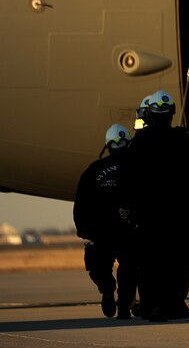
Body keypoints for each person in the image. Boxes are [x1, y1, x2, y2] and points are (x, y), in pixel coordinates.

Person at [121, 90, 189, 322]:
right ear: (172, 113)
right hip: (179, 215)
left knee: (149, 263)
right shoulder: (184, 141)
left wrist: (128, 207)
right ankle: (172, 303)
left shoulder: (139, 143)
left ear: (149, 114)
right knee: (178, 263)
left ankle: (151, 306)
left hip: (149, 215)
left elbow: (128, 178)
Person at [74, 124, 138, 319]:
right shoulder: (138, 168)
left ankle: (107, 291)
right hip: (129, 230)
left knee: (99, 266)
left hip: (101, 231)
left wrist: (82, 228)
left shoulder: (93, 170)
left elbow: (81, 202)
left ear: (107, 145)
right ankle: (125, 306)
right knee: (129, 268)